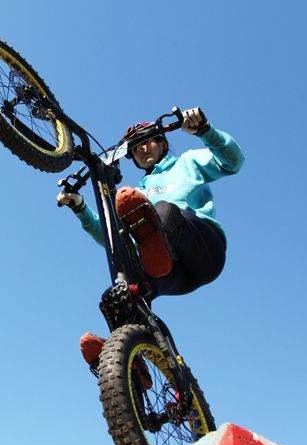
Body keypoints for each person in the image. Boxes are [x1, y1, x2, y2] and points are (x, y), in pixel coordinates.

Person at [56, 107, 245, 370]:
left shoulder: (186, 163)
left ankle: (155, 259)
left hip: (203, 247)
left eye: (146, 142)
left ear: (162, 142)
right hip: (176, 273)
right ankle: (131, 363)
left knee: (160, 210)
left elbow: (232, 161)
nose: (142, 149)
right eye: (135, 149)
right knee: (120, 296)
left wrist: (206, 131)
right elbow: (111, 238)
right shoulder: (139, 194)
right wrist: (80, 208)